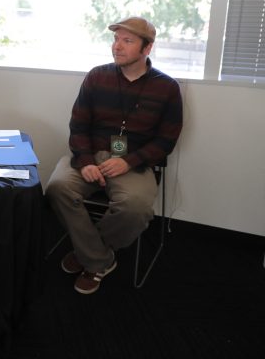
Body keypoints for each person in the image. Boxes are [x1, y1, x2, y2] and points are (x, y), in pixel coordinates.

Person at [44, 16, 182, 295]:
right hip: (91, 154)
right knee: (57, 188)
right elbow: (78, 125)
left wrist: (128, 161)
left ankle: (87, 253)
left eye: (127, 41)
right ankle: (98, 260)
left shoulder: (167, 88)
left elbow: (166, 140)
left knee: (136, 207)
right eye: (116, 39)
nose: (117, 46)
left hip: (134, 162)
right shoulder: (97, 76)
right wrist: (85, 161)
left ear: (147, 48)